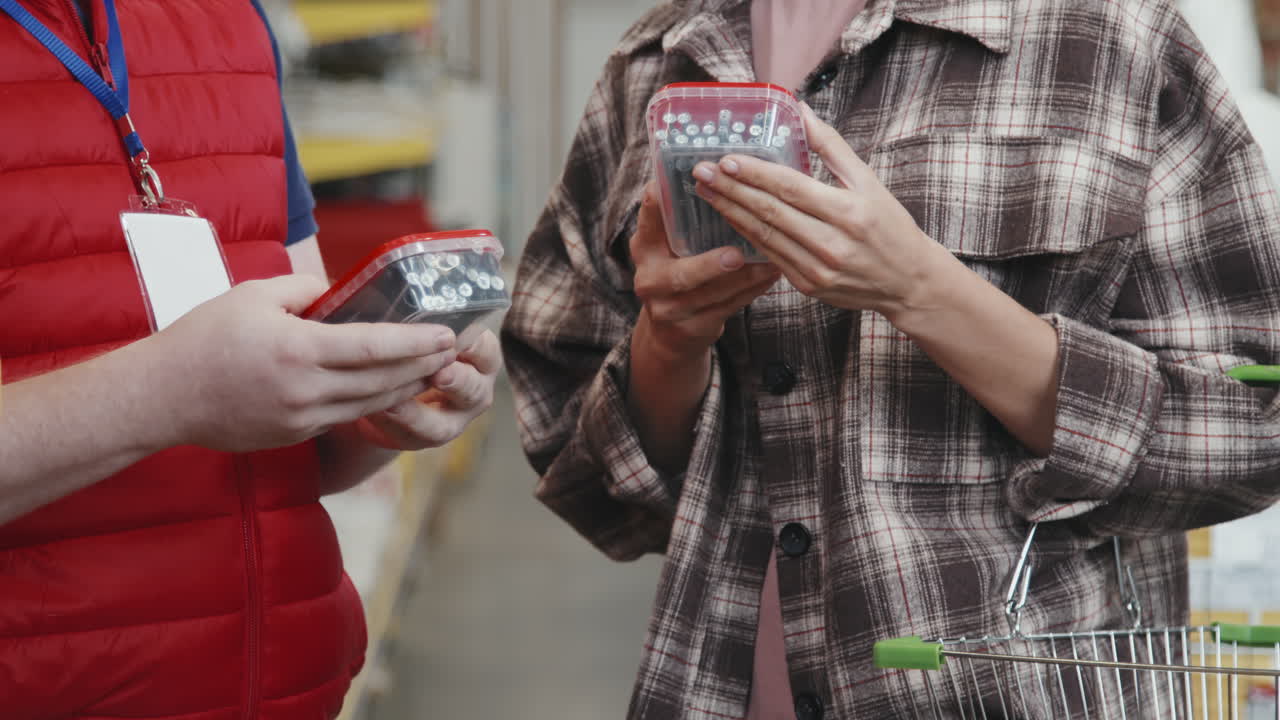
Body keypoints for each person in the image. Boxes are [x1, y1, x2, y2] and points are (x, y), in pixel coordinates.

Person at [501, 0, 1280, 717]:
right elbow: (572, 449)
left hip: (1022, 687)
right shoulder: (652, 64)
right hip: (716, 689)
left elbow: (1253, 422)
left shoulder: (1110, 37)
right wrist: (669, 339)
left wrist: (922, 291)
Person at [0, 1, 499, 718]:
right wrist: (168, 393)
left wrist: (372, 408)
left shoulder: (228, 22)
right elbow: (196, 391)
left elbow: (294, 458)